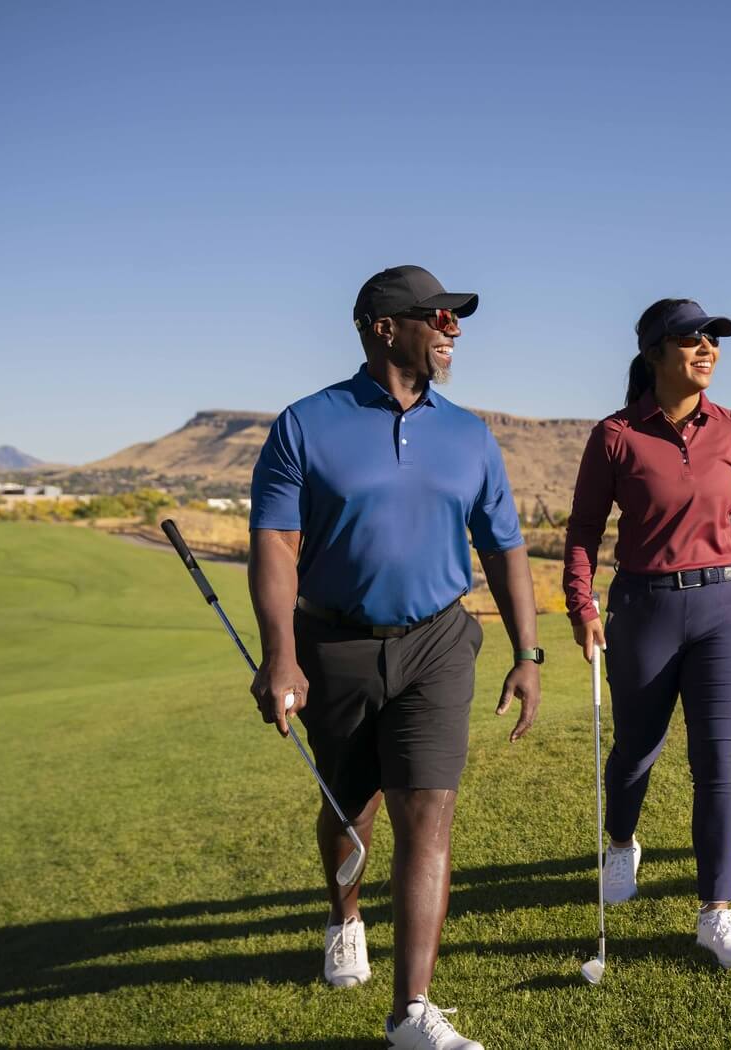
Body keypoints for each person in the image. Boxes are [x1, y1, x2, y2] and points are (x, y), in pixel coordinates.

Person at [248, 265, 542, 1050]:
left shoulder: (469, 433)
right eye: (439, 315)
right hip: (335, 646)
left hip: (439, 642)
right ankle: (344, 915)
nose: (453, 328)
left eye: (455, 318)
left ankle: (412, 1012)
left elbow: (504, 546)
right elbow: (276, 544)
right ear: (385, 326)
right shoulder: (306, 424)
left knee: (428, 811)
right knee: (352, 809)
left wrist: (528, 650)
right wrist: (281, 657)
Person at [563, 298, 731, 969]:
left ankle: (716, 913)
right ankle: (622, 841)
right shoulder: (616, 436)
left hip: (723, 611)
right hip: (644, 609)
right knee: (636, 749)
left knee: (718, 760)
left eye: (713, 340)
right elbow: (582, 533)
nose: (707, 349)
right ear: (656, 353)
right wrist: (583, 607)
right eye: (691, 340)